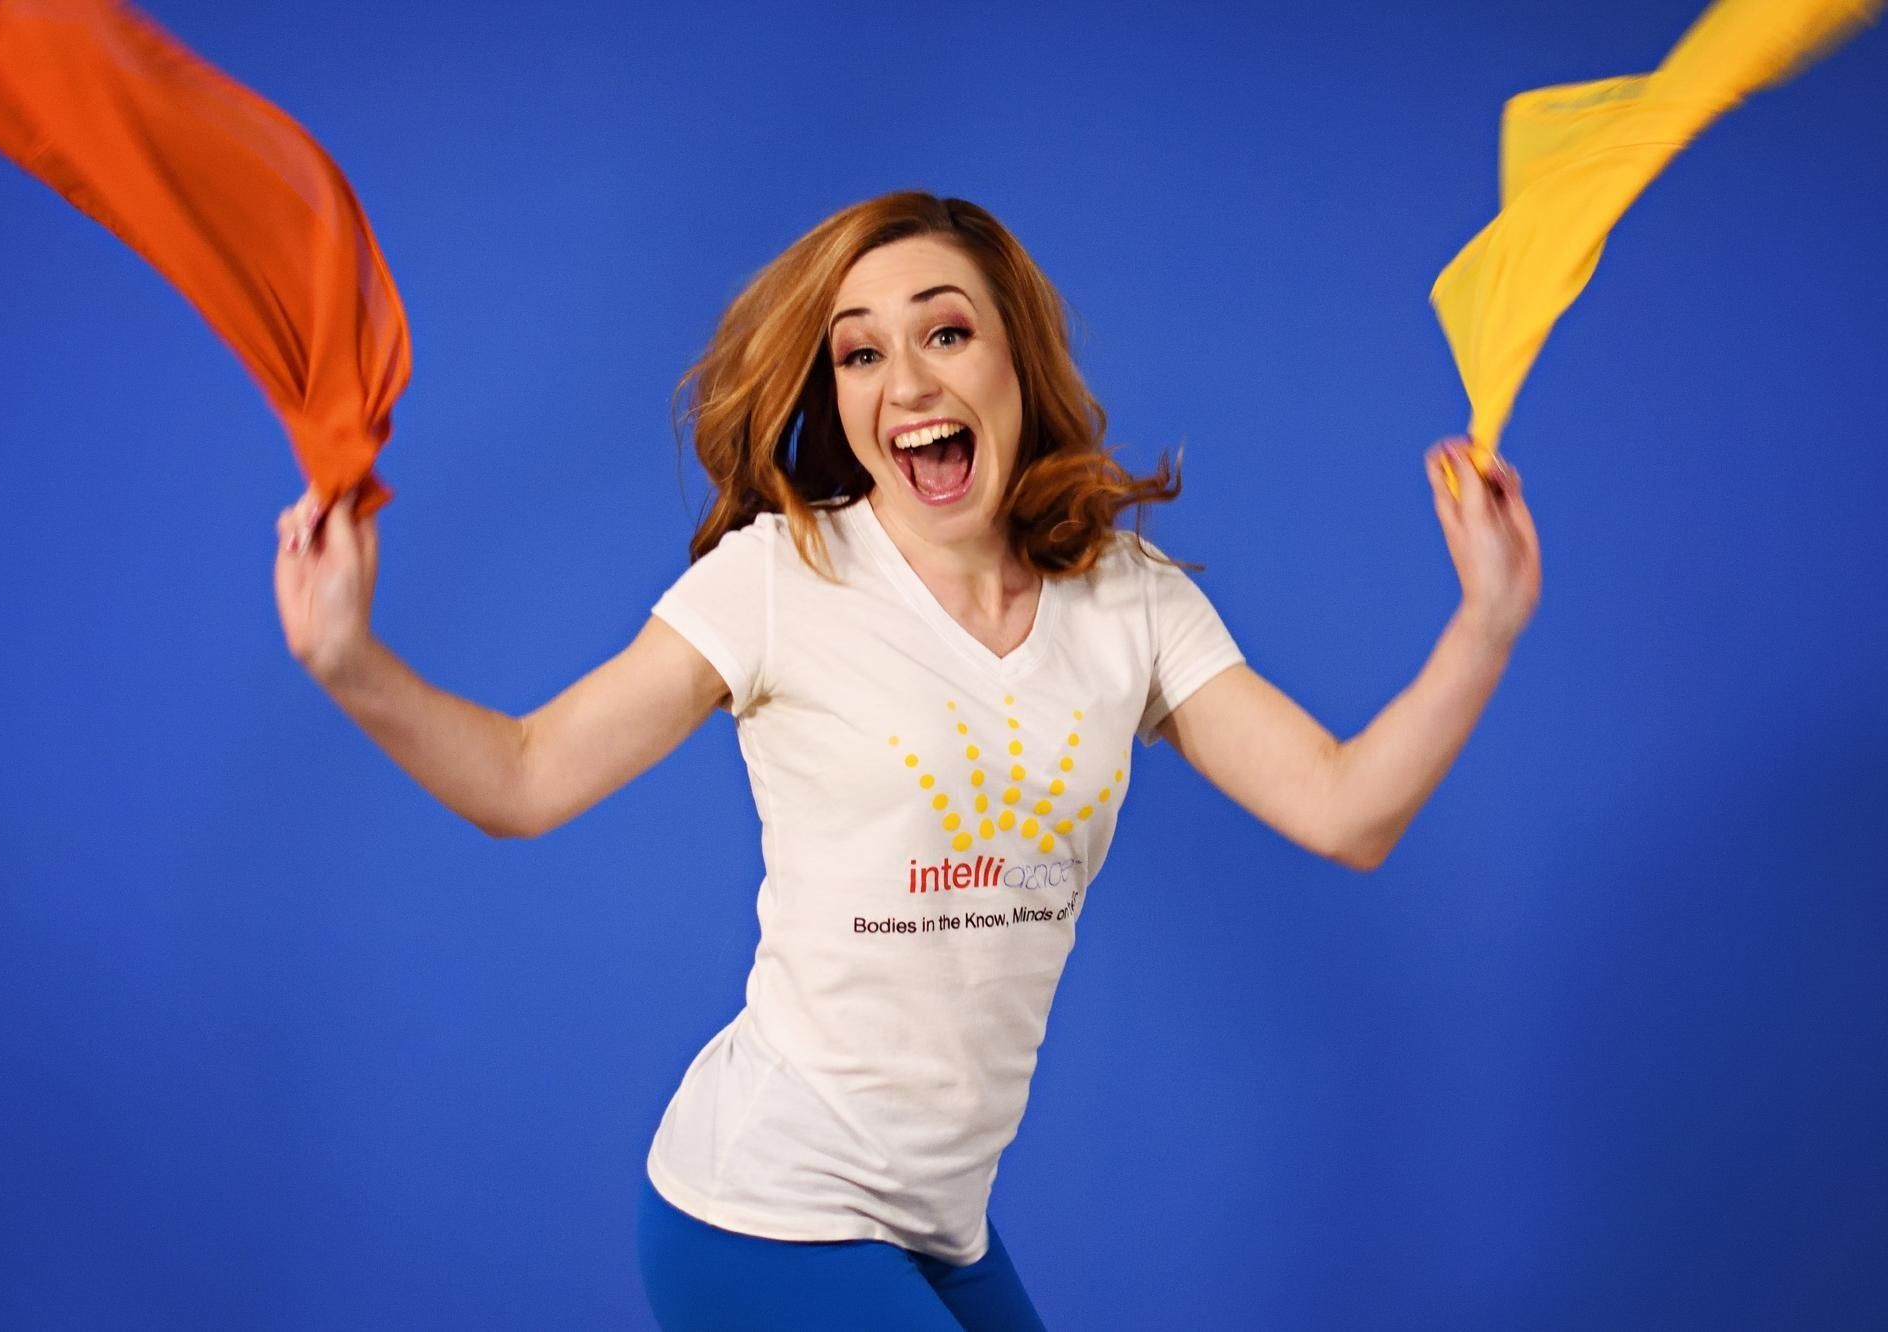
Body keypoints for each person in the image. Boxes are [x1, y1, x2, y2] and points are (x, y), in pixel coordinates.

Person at [272, 191, 1541, 1330]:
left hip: (938, 1225)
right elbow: (526, 776)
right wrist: (350, 663)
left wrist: (1482, 625)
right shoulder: (779, 579)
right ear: (838, 398)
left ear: (1014, 359)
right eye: (860, 354)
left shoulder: (1128, 599)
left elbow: (1343, 812)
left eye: (944, 332)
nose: (906, 382)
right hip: (760, 1210)